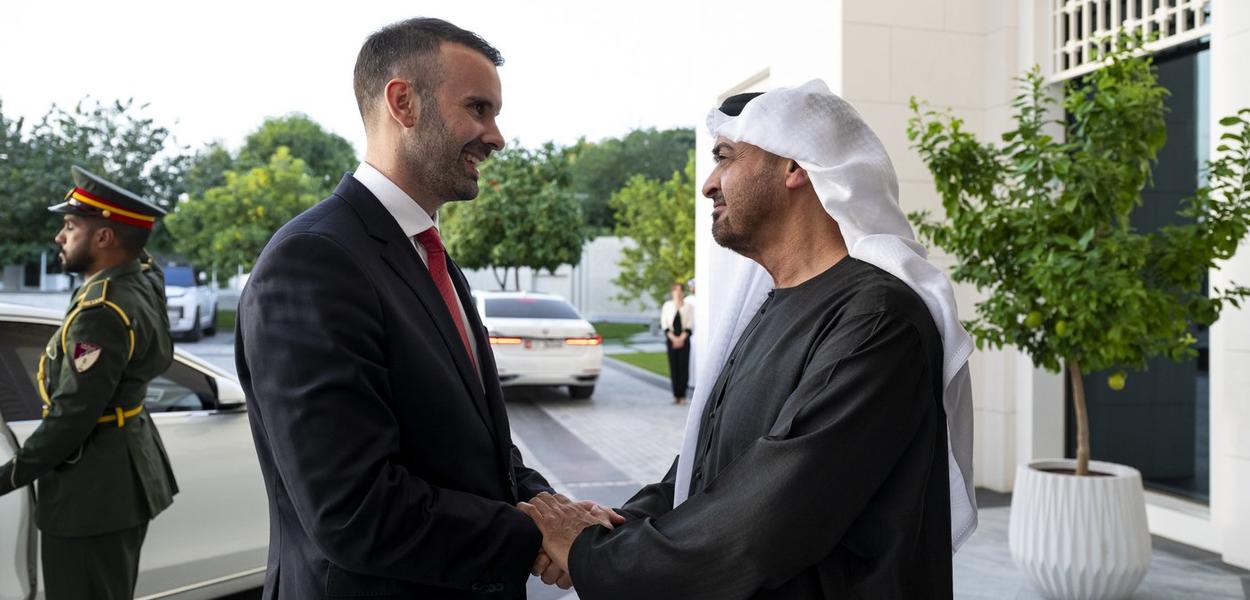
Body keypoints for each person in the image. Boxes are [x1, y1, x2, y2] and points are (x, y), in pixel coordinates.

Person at [518, 80, 978, 599]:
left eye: (725, 157)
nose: (709, 184)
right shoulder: (775, 304)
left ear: (794, 166)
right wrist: (614, 525)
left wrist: (587, 552)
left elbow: (768, 519)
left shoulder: (877, 319)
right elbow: (708, 466)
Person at [235, 18, 616, 599]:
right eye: (479, 108)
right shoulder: (313, 262)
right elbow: (355, 510)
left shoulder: (422, 253)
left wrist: (556, 509)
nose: (496, 136)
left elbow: (473, 447)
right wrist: (534, 531)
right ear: (403, 102)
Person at [0, 165, 178, 599]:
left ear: (103, 239)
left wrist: (6, 478)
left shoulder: (101, 312)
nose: (60, 238)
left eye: (70, 226)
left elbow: (70, 419)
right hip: (123, 473)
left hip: (91, 493)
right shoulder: (137, 281)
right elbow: (145, 260)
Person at [660, 282, 694, 403]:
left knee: (683, 367)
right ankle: (676, 395)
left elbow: (690, 325)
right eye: (676, 290)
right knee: (674, 367)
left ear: (683, 292)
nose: (678, 293)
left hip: (684, 340)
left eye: (680, 290)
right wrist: (674, 339)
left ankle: (683, 395)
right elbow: (664, 324)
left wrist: (681, 339)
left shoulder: (688, 307)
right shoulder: (667, 306)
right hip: (671, 339)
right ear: (672, 292)